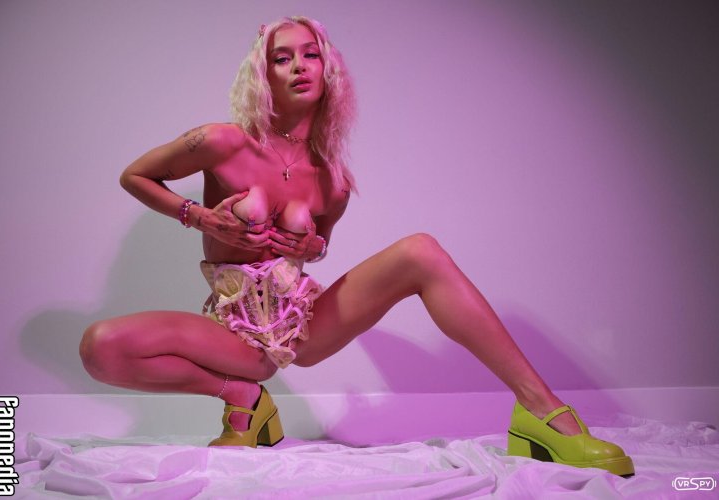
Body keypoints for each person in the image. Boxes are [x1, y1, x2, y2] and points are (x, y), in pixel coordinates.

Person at [79, 16, 634, 477]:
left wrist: (310, 243)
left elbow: (316, 252)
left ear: (328, 71)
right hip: (236, 333)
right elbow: (135, 175)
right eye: (282, 58)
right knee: (101, 347)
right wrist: (200, 217)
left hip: (300, 326)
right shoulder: (223, 142)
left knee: (421, 251)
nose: (299, 66)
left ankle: (541, 411)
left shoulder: (332, 180)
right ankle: (240, 397)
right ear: (263, 76)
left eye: (310, 55)